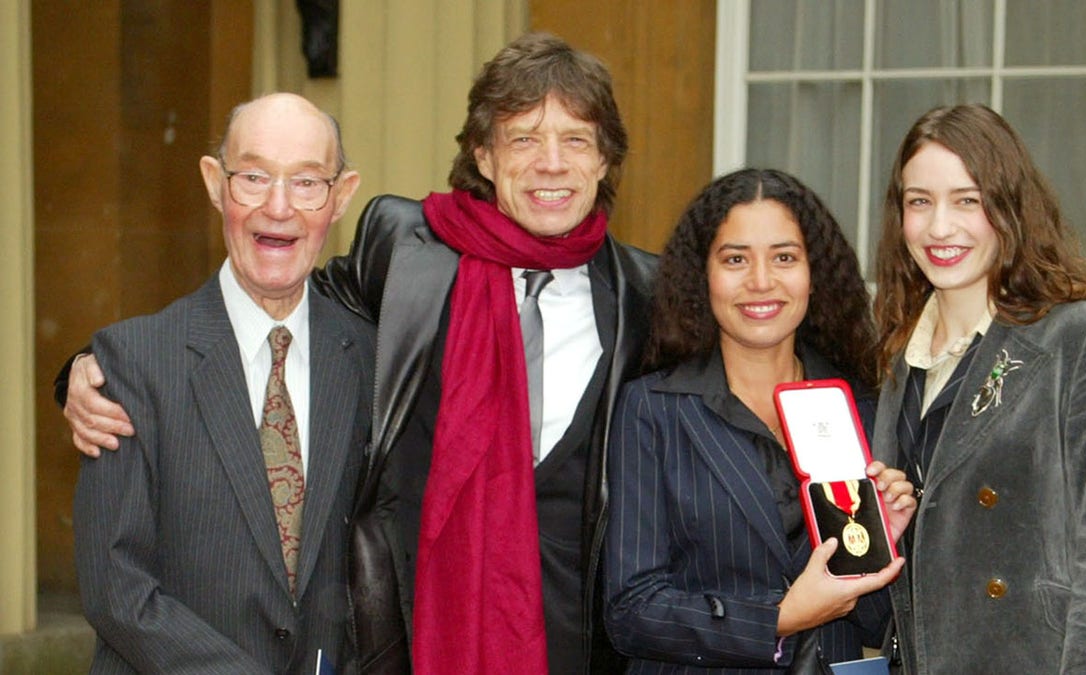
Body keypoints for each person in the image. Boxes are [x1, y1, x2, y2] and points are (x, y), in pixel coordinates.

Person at [61, 33, 657, 674]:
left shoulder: (645, 297)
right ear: (484, 155)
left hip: (575, 646)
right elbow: (277, 292)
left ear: (604, 160)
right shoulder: (410, 256)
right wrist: (86, 372)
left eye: (575, 140)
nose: (551, 164)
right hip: (429, 636)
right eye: (523, 139)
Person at [71, 93, 372, 673]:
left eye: (307, 182)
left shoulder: (371, 357)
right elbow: (117, 589)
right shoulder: (131, 364)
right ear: (215, 183)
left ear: (341, 196)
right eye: (254, 177)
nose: (278, 207)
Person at [604, 168, 916, 673]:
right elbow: (630, 612)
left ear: (815, 274)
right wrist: (777, 618)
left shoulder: (864, 408)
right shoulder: (653, 409)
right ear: (701, 275)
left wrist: (884, 544)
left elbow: (878, 623)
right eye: (735, 259)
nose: (762, 281)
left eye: (785, 257)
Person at [871, 104, 1086, 673]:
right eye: (920, 201)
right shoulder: (900, 359)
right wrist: (888, 529)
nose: (940, 227)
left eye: (967, 200)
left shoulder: (1082, 337)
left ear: (1010, 208)